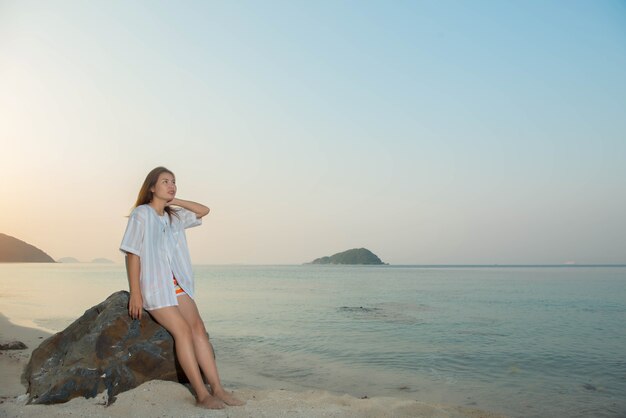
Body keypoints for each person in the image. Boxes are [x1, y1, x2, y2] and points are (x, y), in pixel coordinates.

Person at [120, 166, 244, 409]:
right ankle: (201, 394)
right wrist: (135, 292)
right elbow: (132, 254)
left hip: (178, 284)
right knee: (183, 331)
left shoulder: (173, 215)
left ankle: (217, 388)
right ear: (152, 187)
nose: (171, 185)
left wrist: (173, 200)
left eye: (174, 182)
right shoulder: (141, 214)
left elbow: (204, 211)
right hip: (155, 287)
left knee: (198, 328)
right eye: (165, 181)